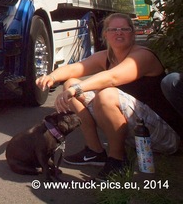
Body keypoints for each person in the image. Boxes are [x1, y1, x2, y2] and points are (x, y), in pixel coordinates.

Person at [36, 13, 183, 181]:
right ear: (105, 34)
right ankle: (95, 151)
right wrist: (52, 77)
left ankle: (118, 161)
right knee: (70, 83)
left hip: (165, 136)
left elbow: (112, 77)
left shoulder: (143, 55)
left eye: (124, 29)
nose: (119, 33)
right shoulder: (106, 57)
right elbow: (74, 68)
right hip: (138, 130)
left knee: (106, 95)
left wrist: (76, 90)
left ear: (133, 34)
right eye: (113, 29)